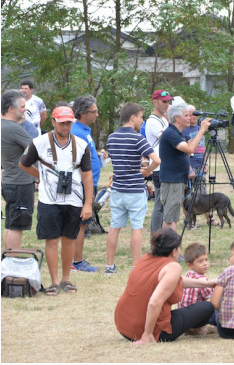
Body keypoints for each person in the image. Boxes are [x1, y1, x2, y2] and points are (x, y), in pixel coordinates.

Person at [19, 106, 94, 296]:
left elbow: (87, 175)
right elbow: (23, 164)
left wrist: (88, 204)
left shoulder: (81, 144)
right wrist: (41, 177)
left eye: (69, 123)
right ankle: (53, 281)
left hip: (74, 199)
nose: (65, 127)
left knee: (69, 239)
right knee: (51, 240)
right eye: (61, 123)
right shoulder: (39, 142)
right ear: (53, 122)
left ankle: (66, 279)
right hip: (48, 200)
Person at [114, 229, 216, 344]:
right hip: (149, 331)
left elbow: (175, 281)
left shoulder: (145, 258)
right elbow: (154, 302)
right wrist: (147, 335)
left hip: (124, 326)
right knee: (207, 307)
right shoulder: (173, 266)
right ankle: (194, 329)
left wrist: (207, 283)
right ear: (174, 251)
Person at [105, 103, 160, 274]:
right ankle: (135, 266)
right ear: (133, 117)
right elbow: (156, 160)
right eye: (141, 117)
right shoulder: (138, 139)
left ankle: (109, 265)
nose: (142, 121)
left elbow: (118, 160)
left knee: (114, 227)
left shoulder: (111, 137)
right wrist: (147, 171)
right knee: (136, 228)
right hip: (135, 189)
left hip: (118, 189)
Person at [160, 103, 211, 232]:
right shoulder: (171, 133)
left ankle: (169, 249)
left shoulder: (177, 133)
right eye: (186, 115)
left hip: (177, 180)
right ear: (177, 118)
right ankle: (169, 249)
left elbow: (185, 152)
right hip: (172, 181)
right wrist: (201, 130)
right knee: (170, 219)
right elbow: (190, 149)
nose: (190, 118)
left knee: (172, 217)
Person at [70, 95, 101, 272]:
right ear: (82, 113)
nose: (97, 114)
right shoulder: (77, 132)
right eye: (94, 111)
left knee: (83, 223)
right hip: (82, 184)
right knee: (81, 223)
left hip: (90, 182)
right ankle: (76, 261)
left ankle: (77, 258)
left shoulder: (85, 130)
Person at [1, 90, 35, 250]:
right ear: (10, 109)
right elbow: (36, 148)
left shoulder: (4, 126)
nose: (25, 110)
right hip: (21, 183)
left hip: (9, 181)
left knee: (10, 223)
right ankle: (12, 265)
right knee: (17, 226)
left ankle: (8, 261)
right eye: (22, 106)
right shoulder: (13, 128)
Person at [146, 89, 172, 235]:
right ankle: (155, 237)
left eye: (168, 101)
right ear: (155, 102)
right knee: (160, 205)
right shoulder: (152, 121)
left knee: (165, 205)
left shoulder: (162, 119)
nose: (167, 104)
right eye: (164, 102)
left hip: (165, 166)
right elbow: (167, 137)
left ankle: (160, 236)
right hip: (159, 168)